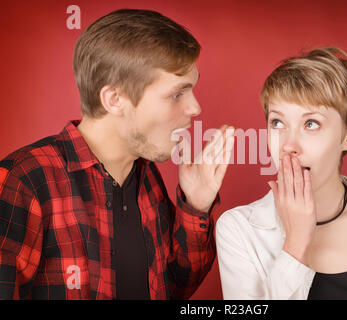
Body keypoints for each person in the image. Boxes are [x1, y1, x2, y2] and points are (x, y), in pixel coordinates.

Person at [0, 9, 234, 300]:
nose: (195, 108)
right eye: (177, 94)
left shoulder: (146, 175)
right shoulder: (24, 180)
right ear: (115, 100)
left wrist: (197, 206)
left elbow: (174, 288)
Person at [216, 47, 347, 300]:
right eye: (277, 123)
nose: (288, 145)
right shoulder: (238, 230)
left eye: (311, 124)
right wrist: (295, 243)